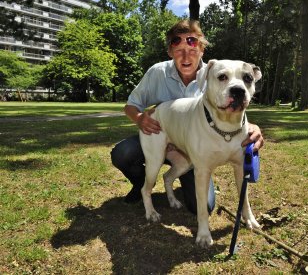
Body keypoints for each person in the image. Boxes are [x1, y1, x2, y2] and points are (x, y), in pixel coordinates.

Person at [111, 19, 264, 215]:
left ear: (201, 51)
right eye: (178, 50)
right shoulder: (157, 72)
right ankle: (142, 187)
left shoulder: (216, 72)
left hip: (195, 148)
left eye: (192, 50)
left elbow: (232, 102)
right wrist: (140, 118)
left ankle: (172, 180)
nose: (185, 56)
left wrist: (252, 126)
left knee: (205, 206)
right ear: (169, 52)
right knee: (122, 153)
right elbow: (130, 105)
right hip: (159, 132)